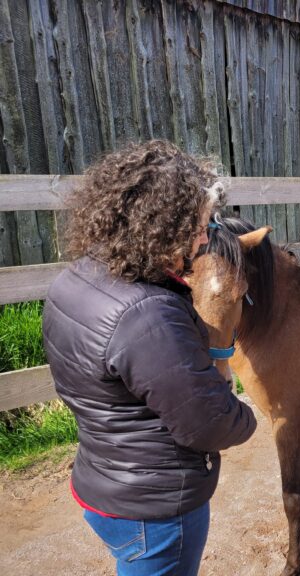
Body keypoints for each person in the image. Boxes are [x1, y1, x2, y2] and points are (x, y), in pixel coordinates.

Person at [42, 140, 257, 575]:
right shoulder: (146, 315)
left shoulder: (81, 276)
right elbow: (208, 422)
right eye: (197, 227)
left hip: (105, 478)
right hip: (156, 508)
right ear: (159, 228)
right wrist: (245, 415)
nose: (204, 238)